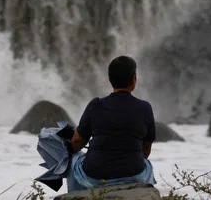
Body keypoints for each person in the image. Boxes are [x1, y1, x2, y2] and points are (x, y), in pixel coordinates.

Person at [66, 55, 157, 192]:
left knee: (73, 159)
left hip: (95, 176)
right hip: (134, 174)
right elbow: (146, 149)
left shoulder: (95, 105)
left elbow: (78, 142)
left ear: (110, 79)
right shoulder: (145, 108)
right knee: (146, 164)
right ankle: (144, 198)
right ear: (134, 79)